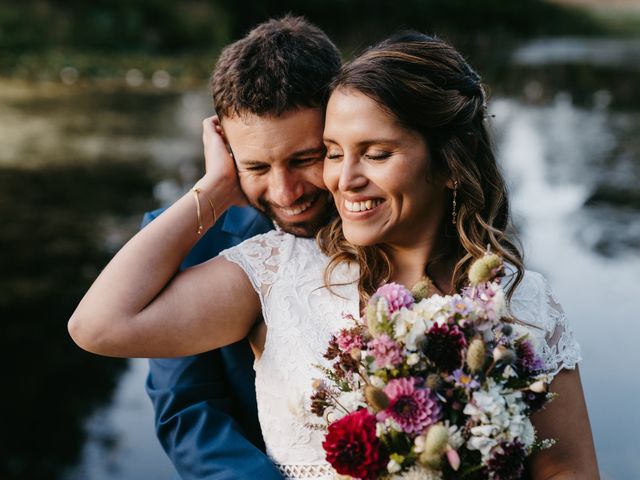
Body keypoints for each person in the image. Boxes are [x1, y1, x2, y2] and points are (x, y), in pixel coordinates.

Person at [68, 31, 599, 479]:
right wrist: (213, 189)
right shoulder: (275, 267)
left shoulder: (519, 298)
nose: (334, 180)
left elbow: (566, 467)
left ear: (450, 162)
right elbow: (119, 345)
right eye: (336, 153)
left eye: (313, 156)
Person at [141, 16, 340, 480]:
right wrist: (214, 191)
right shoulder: (183, 242)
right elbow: (189, 411)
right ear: (226, 148)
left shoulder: (387, 208)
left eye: (304, 158)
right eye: (255, 166)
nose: (287, 193)